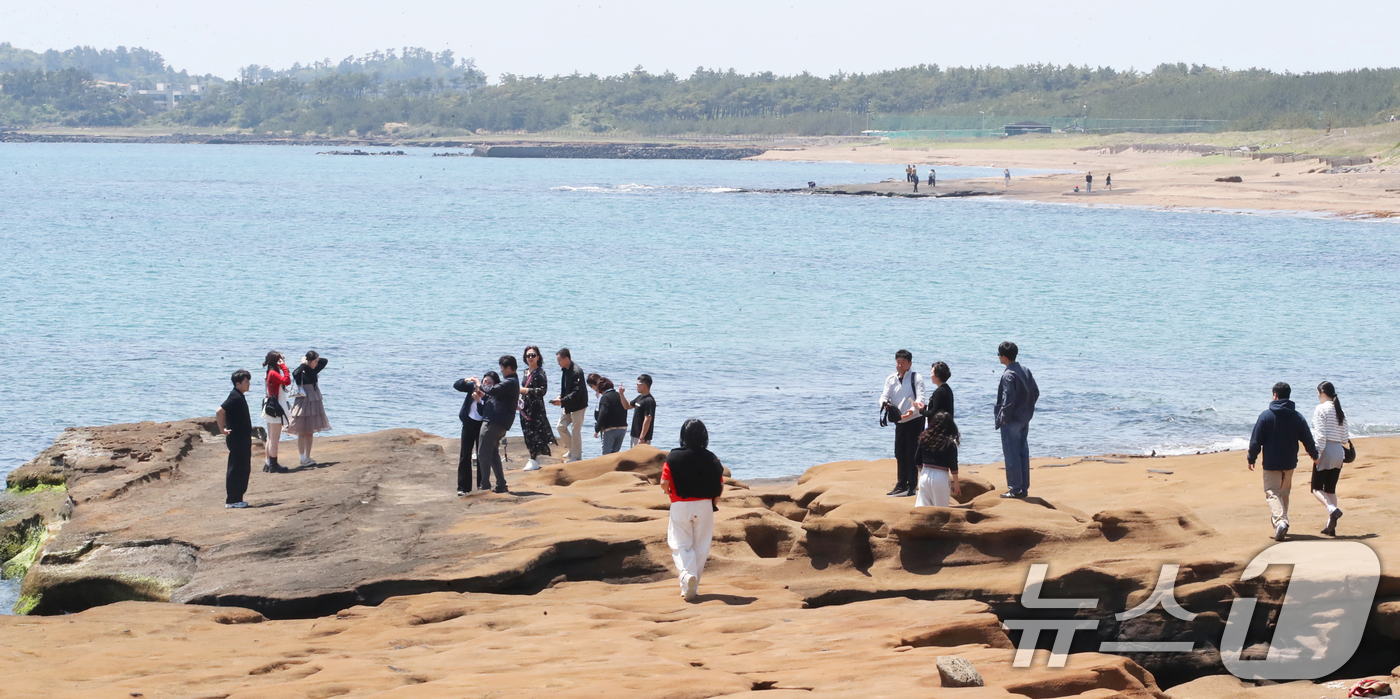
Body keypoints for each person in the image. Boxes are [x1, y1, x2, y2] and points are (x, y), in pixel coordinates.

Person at [661, 419, 724, 601]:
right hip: (705, 506)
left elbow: (664, 483)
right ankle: (691, 588)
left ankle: (687, 576)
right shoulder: (712, 458)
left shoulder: (673, 457)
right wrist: (713, 503)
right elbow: (719, 486)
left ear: (683, 436)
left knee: (679, 544)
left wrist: (669, 493)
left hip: (680, 505)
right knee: (701, 547)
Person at [1247, 382, 1319, 542]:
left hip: (1272, 463)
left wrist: (1252, 457)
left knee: (1272, 493)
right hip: (1289, 462)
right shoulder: (1297, 416)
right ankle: (1281, 524)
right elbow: (1307, 438)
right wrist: (1314, 454)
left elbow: (1256, 440)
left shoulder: (1266, 416)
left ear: (1275, 395)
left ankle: (1281, 522)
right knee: (1284, 494)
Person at [994, 342, 1039, 499]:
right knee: (1022, 452)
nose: (998, 357)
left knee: (1011, 453)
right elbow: (1035, 392)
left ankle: (1014, 488)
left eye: (999, 355)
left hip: (1012, 419)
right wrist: (1028, 408)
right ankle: (1023, 487)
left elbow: (1007, 399)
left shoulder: (1008, 375)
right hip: (1024, 417)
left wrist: (1003, 418)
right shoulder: (1025, 370)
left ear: (1004, 357)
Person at [880, 349, 926, 497]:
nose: (899, 365)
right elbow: (884, 396)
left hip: (915, 419)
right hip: (900, 420)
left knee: (912, 452)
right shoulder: (891, 379)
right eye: (898, 362)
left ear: (909, 364)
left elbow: (921, 398)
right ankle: (901, 484)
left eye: (903, 362)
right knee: (899, 452)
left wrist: (911, 411)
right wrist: (884, 404)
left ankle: (912, 485)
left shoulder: (916, 378)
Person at [475, 356, 521, 494]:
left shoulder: (510, 382)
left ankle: (485, 485)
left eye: (502, 368)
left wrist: (479, 384)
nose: (501, 371)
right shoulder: (511, 382)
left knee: (483, 452)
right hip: (499, 422)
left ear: (508, 368)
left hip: (493, 422)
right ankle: (501, 484)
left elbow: (493, 390)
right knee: (493, 453)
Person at [1310, 381, 1349, 536]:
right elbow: (1345, 437)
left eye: (1318, 393)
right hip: (1339, 452)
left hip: (1326, 450)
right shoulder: (1340, 410)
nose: (1318, 396)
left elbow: (1319, 435)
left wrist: (1316, 454)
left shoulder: (1321, 409)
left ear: (1322, 392)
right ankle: (1330, 526)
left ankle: (1332, 509)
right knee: (1331, 489)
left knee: (1316, 488)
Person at [216, 369, 254, 509]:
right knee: (238, 468)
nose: (248, 384)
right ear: (238, 383)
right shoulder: (235, 397)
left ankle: (236, 498)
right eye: (246, 381)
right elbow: (219, 411)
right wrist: (222, 429)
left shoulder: (239, 395)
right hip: (237, 438)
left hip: (242, 438)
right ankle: (233, 499)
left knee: (243, 468)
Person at [286, 351, 331, 467]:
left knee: (310, 431)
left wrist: (312, 360)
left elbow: (324, 361)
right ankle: (302, 457)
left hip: (314, 400)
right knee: (302, 431)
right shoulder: (301, 371)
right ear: (309, 361)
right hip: (304, 401)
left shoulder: (314, 370)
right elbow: (295, 373)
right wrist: (304, 363)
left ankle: (308, 456)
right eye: (314, 361)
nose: (317, 363)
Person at [517, 345, 555, 471]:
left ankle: (534, 458)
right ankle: (532, 457)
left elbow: (543, 390)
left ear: (538, 357)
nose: (530, 357)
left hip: (536, 408)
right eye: (528, 355)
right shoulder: (524, 372)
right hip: (524, 407)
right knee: (527, 432)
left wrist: (527, 390)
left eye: (533, 355)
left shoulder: (540, 373)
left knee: (536, 433)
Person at [913, 411, 961, 508]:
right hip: (941, 476)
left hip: (925, 474)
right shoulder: (950, 442)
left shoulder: (924, 438)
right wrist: (956, 484)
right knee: (941, 510)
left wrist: (922, 473)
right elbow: (953, 465)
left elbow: (917, 459)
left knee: (922, 509)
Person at [452, 373, 488, 495]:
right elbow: (456, 385)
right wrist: (466, 380)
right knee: (464, 455)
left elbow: (484, 412)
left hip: (481, 425)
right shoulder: (473, 387)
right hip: (468, 423)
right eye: (485, 381)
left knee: (481, 455)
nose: (486, 384)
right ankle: (463, 487)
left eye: (489, 383)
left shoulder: (490, 394)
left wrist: (479, 400)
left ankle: (481, 484)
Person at [550, 348, 588, 462]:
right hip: (568, 404)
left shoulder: (577, 371)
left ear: (566, 359)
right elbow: (566, 388)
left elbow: (577, 392)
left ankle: (576, 457)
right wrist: (560, 397)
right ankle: (573, 450)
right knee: (560, 427)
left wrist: (563, 401)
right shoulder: (565, 369)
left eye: (559, 360)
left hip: (578, 405)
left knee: (575, 430)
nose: (558, 363)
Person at [260, 351, 292, 473]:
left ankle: (268, 463)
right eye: (281, 359)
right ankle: (273, 464)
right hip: (275, 408)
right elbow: (287, 381)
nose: (283, 361)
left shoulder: (270, 372)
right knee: (274, 438)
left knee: (270, 437)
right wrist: (284, 367)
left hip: (270, 406)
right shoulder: (273, 373)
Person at [593, 377, 628, 455]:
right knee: (615, 454)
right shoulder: (620, 396)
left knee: (606, 454)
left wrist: (597, 429)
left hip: (610, 429)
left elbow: (602, 414)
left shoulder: (605, 397)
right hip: (622, 428)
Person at [620, 374, 656, 447]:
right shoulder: (640, 397)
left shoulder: (649, 400)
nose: (636, 386)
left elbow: (647, 420)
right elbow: (626, 406)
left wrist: (642, 437)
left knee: (640, 457)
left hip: (642, 437)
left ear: (644, 385)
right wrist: (621, 394)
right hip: (634, 434)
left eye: (638, 384)